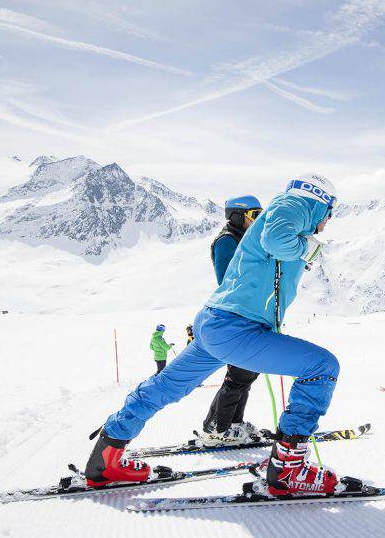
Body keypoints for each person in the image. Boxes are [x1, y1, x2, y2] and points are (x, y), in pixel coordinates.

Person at [84, 174, 350, 498]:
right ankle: (288, 471)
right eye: (331, 212)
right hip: (238, 329)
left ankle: (105, 457)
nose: (328, 221)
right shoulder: (296, 203)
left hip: (215, 323)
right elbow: (276, 240)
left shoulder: (290, 218)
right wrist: (306, 246)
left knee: (165, 387)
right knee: (322, 367)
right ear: (322, 203)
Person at [199, 195, 265, 445]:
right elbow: (228, 280)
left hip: (251, 314)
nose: (258, 220)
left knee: (248, 372)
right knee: (239, 374)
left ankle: (233, 423)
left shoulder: (246, 239)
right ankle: (218, 427)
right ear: (237, 216)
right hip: (237, 317)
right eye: (254, 215)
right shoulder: (227, 241)